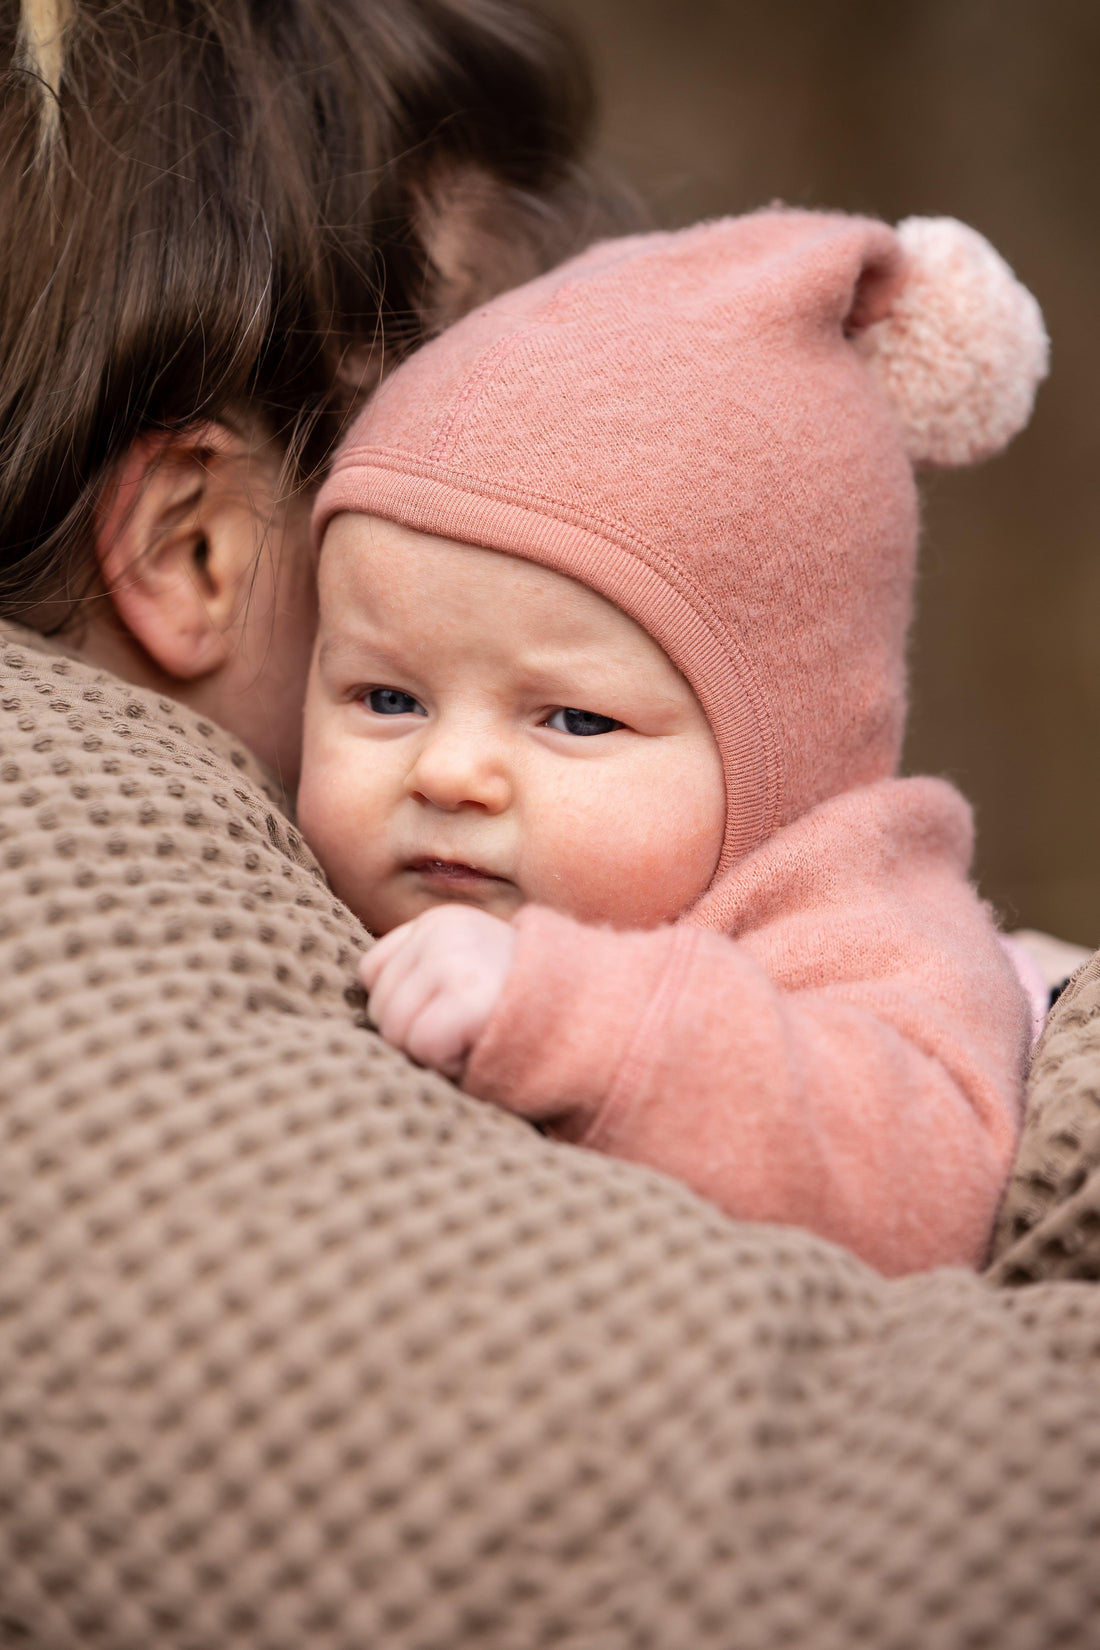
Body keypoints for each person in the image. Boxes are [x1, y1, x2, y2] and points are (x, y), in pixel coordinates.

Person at [5, 5, 1100, 1646]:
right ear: (196, 549)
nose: (455, 772)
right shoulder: (106, 968)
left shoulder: (803, 900)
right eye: (456, 390)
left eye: (574, 705)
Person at [301, 209, 1045, 1277]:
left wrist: (572, 1016)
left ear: (784, 754)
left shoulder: (860, 916)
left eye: (573, 719)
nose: (447, 772)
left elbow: (936, 1181)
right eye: (384, 698)